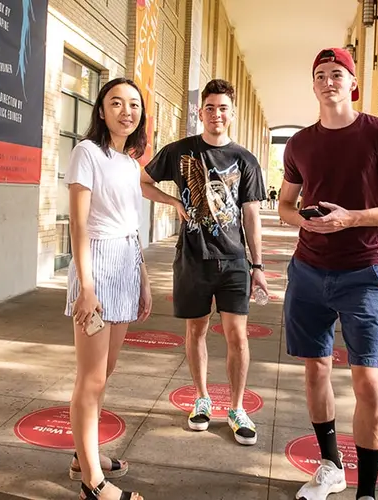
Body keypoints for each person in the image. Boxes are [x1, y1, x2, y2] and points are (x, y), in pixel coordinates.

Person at [278, 48, 378, 500]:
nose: (327, 81)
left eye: (336, 73)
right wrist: (303, 220)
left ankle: (368, 493)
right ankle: (330, 467)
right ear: (314, 85)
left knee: (367, 381)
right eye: (319, 75)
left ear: (352, 81)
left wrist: (351, 218)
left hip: (360, 272)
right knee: (315, 370)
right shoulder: (300, 143)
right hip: (307, 271)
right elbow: (284, 204)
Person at [141, 79, 268, 446]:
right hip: (193, 259)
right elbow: (143, 180)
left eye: (223, 108)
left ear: (233, 113)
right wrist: (174, 203)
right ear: (201, 112)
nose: (216, 114)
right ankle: (201, 399)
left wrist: (256, 266)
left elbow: (251, 216)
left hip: (232, 262)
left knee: (237, 337)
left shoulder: (245, 160)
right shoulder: (181, 151)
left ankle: (237, 408)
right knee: (196, 332)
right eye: (210, 107)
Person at [65, 77, 152, 500]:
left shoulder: (130, 163)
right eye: (115, 103)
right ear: (101, 111)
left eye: (133, 104)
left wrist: (143, 280)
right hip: (96, 268)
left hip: (125, 266)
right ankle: (93, 484)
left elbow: (132, 227)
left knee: (107, 371)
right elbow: (78, 225)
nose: (125, 111)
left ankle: (85, 457)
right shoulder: (86, 153)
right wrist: (86, 286)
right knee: (91, 379)